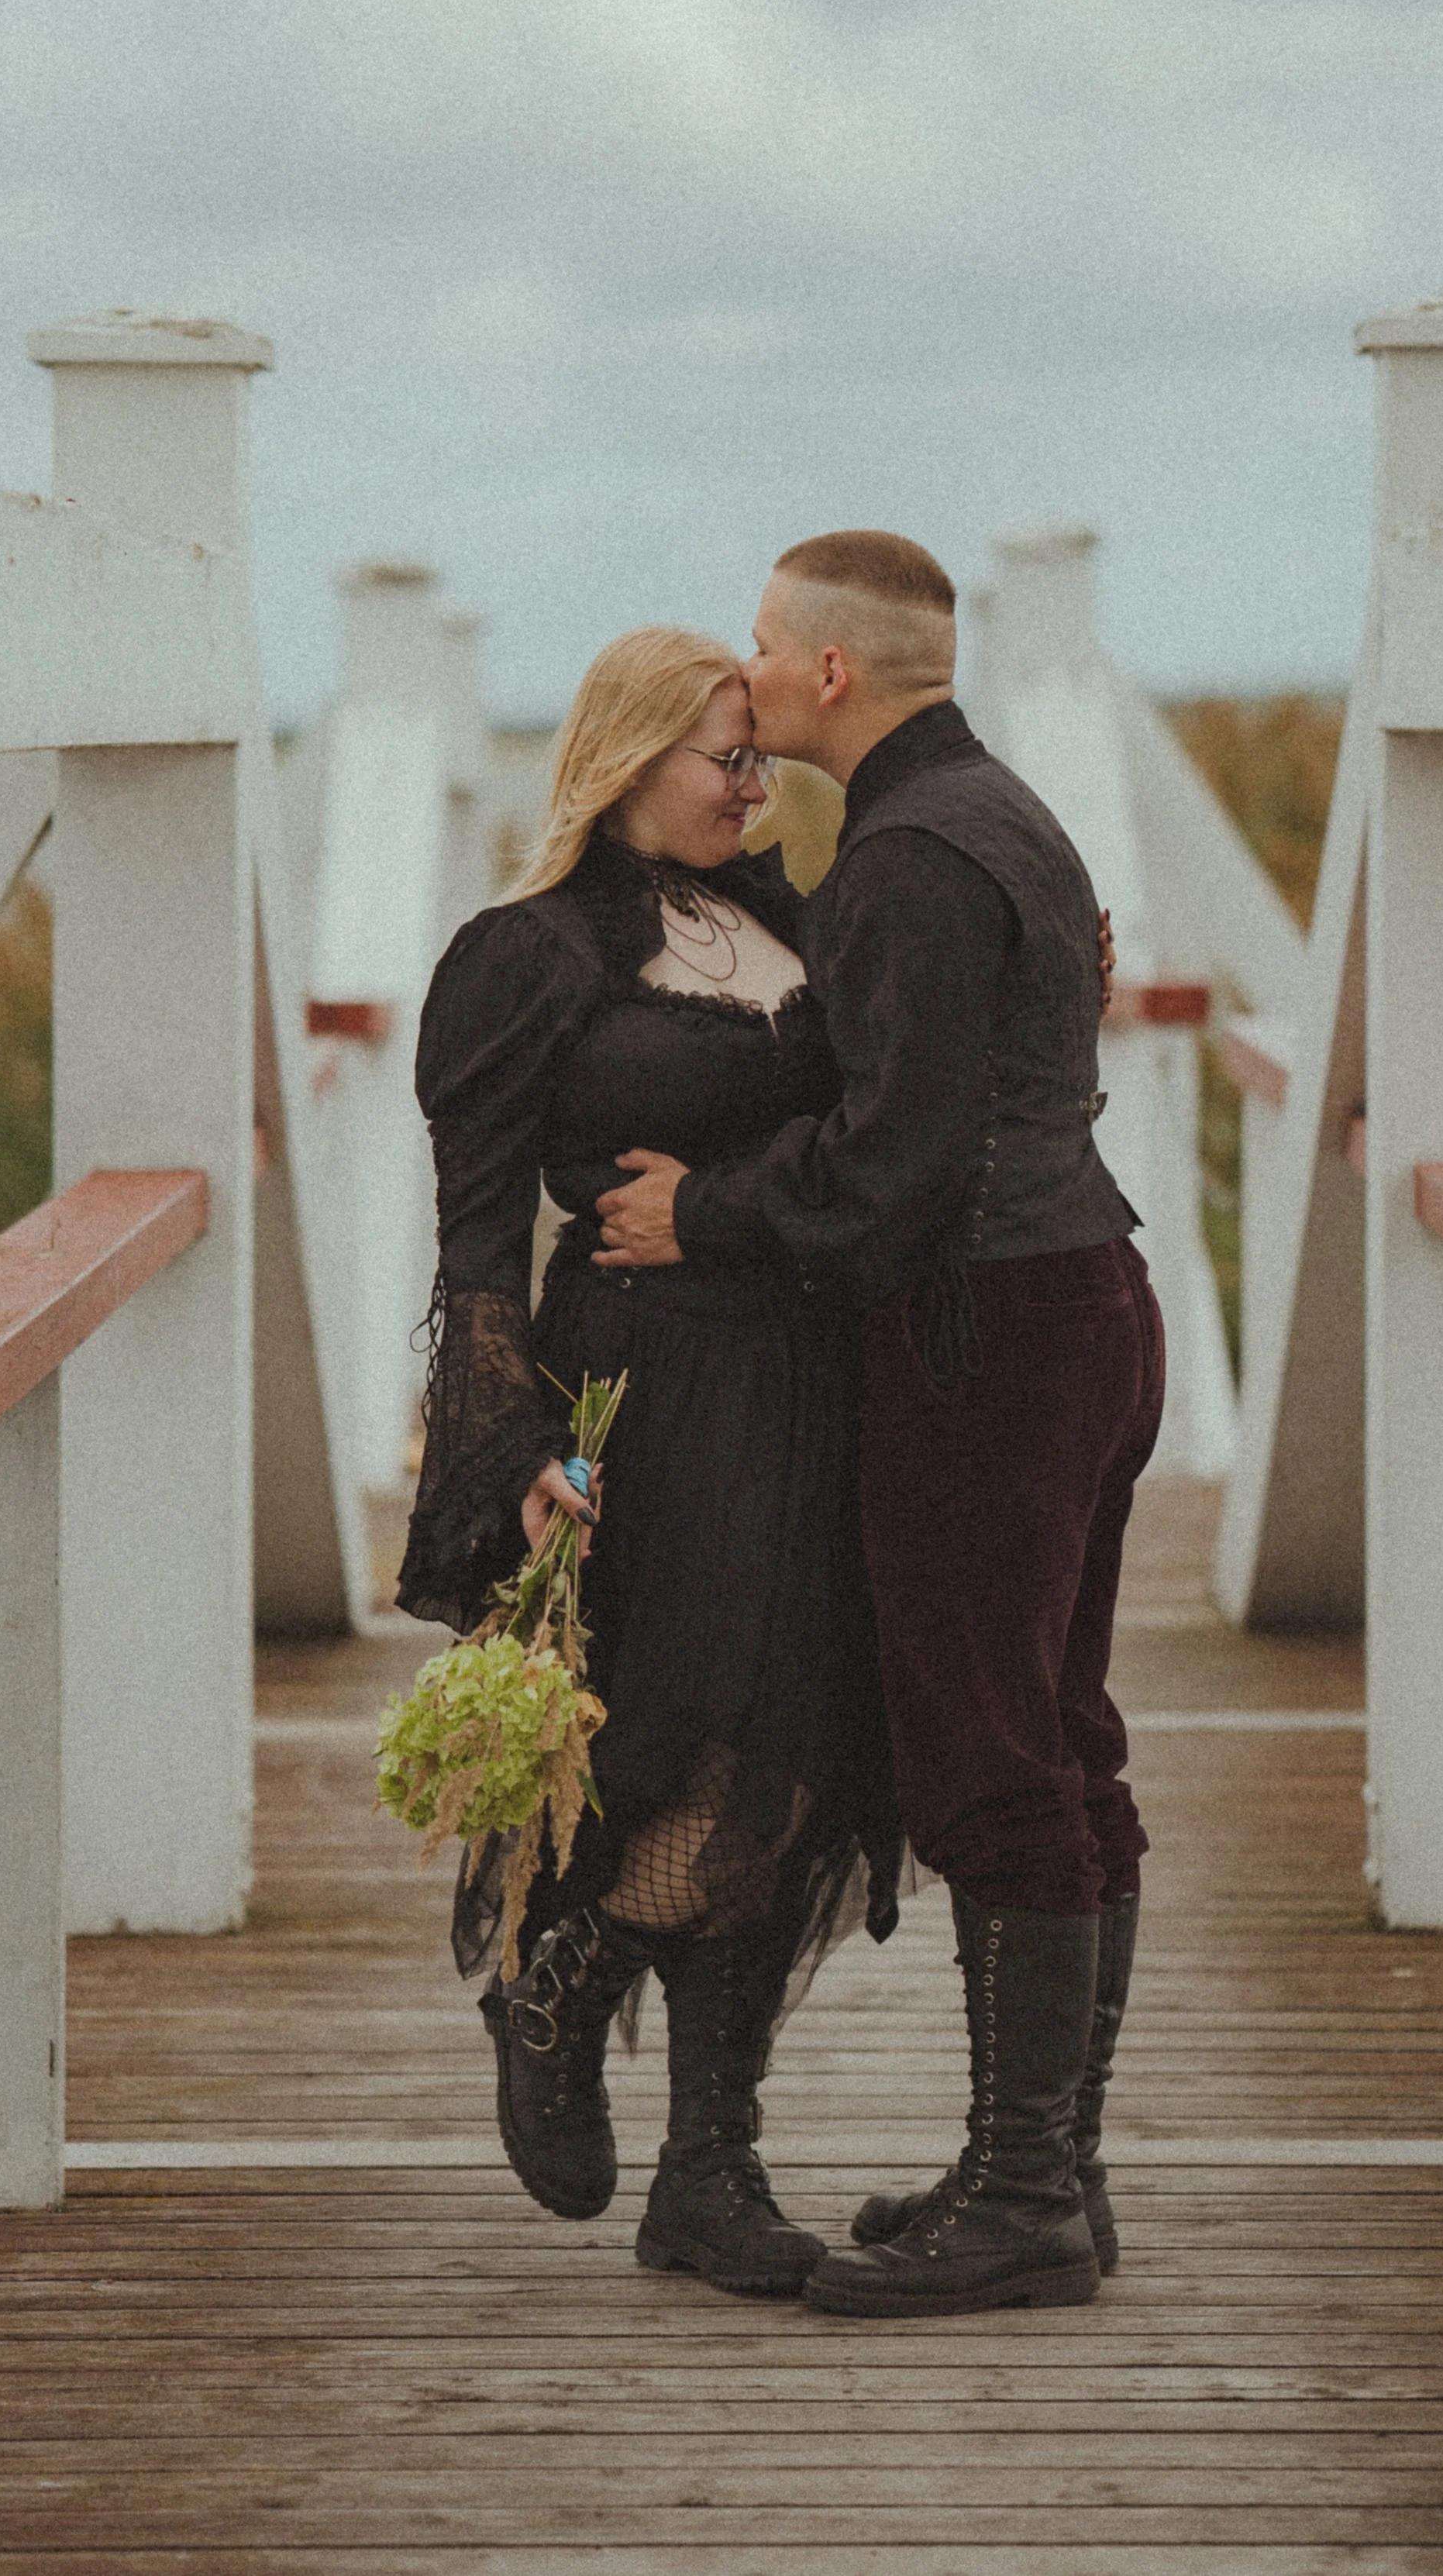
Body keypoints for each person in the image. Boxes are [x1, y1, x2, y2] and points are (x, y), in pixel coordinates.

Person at [594, 532, 1166, 2319]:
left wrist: (704, 1214)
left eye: (764, 649)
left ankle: (1025, 2203)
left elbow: (891, 1166)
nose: (747, 680)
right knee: (1061, 1737)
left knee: (995, 1758)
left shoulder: (911, 856)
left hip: (979, 1331)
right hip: (1077, 1300)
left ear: (831, 674)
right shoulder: (1003, 814)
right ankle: (1043, 2166)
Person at [397, 622, 901, 2299]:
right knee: (684, 1738)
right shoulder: (525, 953)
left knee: (798, 1753)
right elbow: (476, 1242)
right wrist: (513, 1441)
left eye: (762, 757)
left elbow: (879, 1121)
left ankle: (705, 2168)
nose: (755, 786)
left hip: (810, 1379)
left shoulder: (790, 926)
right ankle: (557, 1976)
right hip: (647, 1397)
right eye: (725, 757)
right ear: (626, 760)